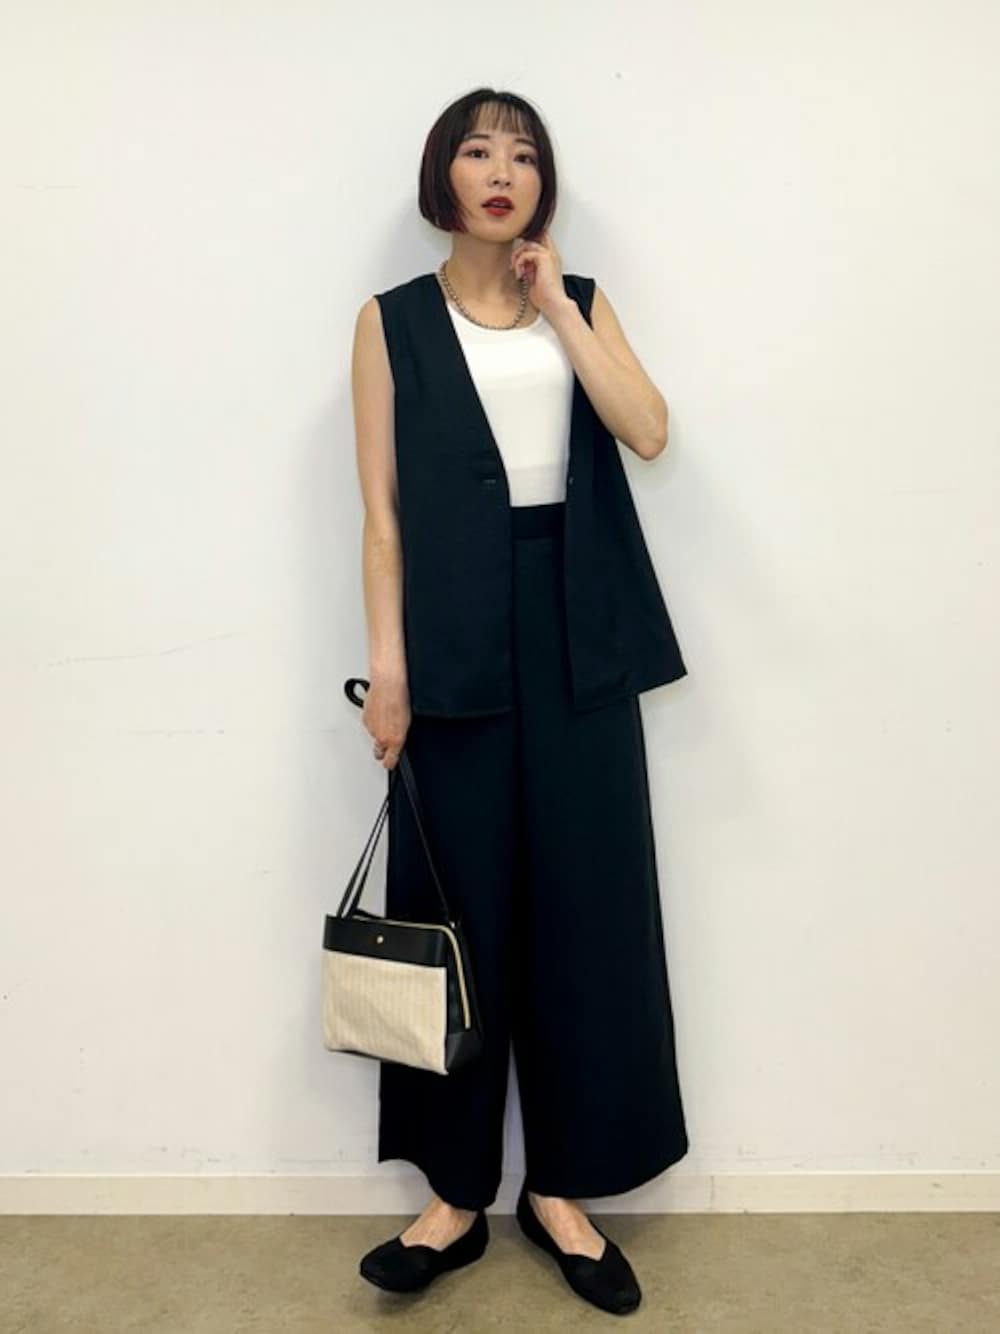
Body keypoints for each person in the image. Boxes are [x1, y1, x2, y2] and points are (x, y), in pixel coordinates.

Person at [348, 86, 689, 1316]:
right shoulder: (389, 322)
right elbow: (382, 515)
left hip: (578, 637)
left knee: (586, 913)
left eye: (524, 155)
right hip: (449, 647)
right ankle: (452, 1196)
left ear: (544, 184)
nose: (502, 171)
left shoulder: (578, 301)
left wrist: (558, 310)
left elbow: (647, 430)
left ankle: (560, 1189)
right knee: (457, 915)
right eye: (478, 151)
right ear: (442, 175)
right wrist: (388, 670)